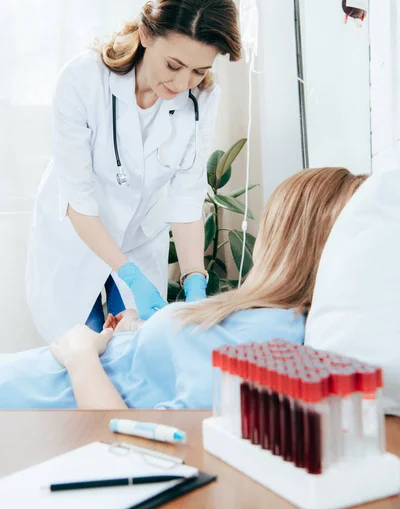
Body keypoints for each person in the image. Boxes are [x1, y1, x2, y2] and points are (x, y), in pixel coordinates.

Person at [0, 168, 367, 410]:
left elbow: (124, 438)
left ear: (286, 242)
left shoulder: (270, 335)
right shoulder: (269, 320)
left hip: (32, 398)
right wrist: (139, 333)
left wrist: (80, 352)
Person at [25, 0, 241, 344]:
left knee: (135, 355)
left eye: (199, 70)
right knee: (80, 352)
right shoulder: (82, 81)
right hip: (76, 238)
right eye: (174, 64)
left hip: (139, 239)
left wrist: (194, 281)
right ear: (145, 34)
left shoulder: (201, 101)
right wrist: (128, 275)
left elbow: (187, 198)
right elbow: (78, 198)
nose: (183, 82)